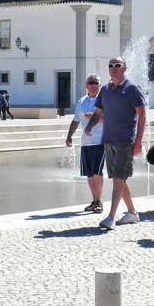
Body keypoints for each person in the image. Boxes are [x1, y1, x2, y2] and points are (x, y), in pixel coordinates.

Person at [90, 57, 146, 229]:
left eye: (117, 66)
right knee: (118, 178)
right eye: (111, 66)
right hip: (108, 140)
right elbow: (99, 112)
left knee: (118, 180)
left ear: (124, 68)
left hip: (124, 142)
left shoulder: (131, 89)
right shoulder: (105, 90)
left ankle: (111, 217)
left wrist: (138, 141)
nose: (113, 69)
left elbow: (142, 114)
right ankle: (131, 213)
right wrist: (89, 126)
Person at [64, 74, 105, 213]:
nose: (93, 85)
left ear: (99, 86)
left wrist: (95, 118)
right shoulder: (82, 101)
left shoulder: (104, 100)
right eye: (91, 82)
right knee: (89, 173)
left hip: (100, 141)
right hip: (86, 143)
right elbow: (76, 120)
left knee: (97, 171)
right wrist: (69, 136)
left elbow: (111, 118)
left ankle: (99, 201)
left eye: (96, 83)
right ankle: (94, 200)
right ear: (86, 85)